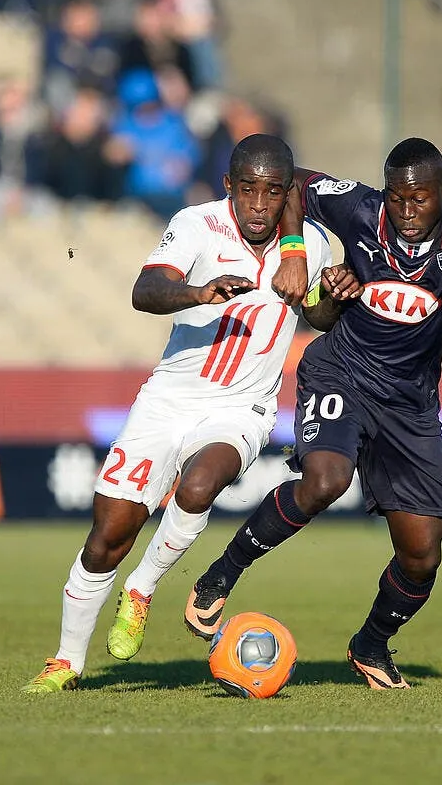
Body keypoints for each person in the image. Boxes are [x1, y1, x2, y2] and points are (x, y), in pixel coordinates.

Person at [22, 134, 363, 693]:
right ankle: (66, 660)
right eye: (247, 189)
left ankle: (142, 589)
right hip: (170, 398)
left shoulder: (311, 245)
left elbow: (320, 316)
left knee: (201, 483)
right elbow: (146, 289)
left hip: (243, 406)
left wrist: (337, 293)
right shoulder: (197, 224)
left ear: (287, 196)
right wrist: (198, 292)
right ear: (229, 187)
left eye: (272, 192)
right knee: (109, 534)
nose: (258, 203)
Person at [183, 137, 442, 690]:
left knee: (423, 554)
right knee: (327, 480)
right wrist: (296, 254)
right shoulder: (359, 207)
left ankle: (371, 644)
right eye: (398, 197)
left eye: (421, 199)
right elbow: (290, 179)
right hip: (342, 371)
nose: (407, 211)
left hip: (410, 403)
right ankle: (220, 575)